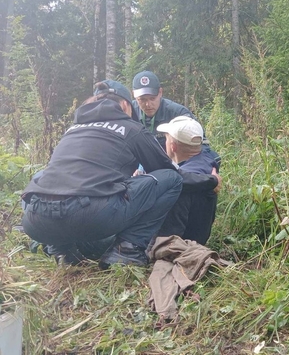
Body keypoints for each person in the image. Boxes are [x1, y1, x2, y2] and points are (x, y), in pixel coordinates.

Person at [21, 80, 183, 269]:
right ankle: (127, 250)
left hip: (35, 221)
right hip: (93, 216)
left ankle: (61, 250)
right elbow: (163, 169)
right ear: (124, 105)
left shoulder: (71, 131)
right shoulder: (131, 128)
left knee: (43, 176)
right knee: (172, 179)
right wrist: (208, 180)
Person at [155, 116, 221, 245]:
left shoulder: (187, 178)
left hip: (177, 245)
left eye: (166, 139)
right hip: (196, 240)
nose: (165, 143)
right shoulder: (206, 162)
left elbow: (173, 180)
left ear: (173, 146)